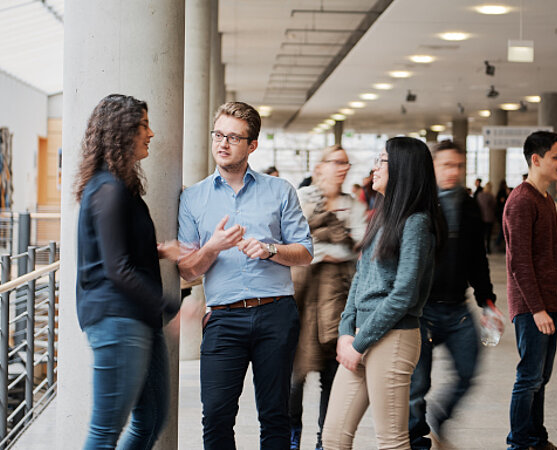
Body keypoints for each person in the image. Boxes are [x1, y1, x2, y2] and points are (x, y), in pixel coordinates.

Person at [173, 101, 313, 449]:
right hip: (223, 319)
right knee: (217, 416)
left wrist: (270, 250)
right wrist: (213, 247)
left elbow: (306, 252)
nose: (223, 143)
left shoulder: (280, 191)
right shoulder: (193, 198)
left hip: (275, 313)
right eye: (218, 134)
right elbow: (186, 270)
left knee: (275, 415)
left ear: (252, 145)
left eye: (234, 137)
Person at [321, 137, 445, 450]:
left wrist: (360, 342)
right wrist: (346, 331)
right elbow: (361, 277)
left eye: (382, 160)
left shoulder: (416, 222)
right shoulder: (381, 216)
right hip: (361, 337)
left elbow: (403, 293)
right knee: (333, 437)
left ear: (402, 169)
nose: (373, 168)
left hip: (393, 338)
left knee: (391, 442)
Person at [74, 94, 180, 449]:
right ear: (122, 132)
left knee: (151, 420)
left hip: (136, 320)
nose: (151, 133)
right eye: (143, 125)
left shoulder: (120, 189)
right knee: (105, 432)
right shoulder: (107, 189)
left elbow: (117, 251)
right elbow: (116, 269)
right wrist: (172, 308)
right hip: (117, 320)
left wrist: (157, 251)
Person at [408, 140, 500, 449]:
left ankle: (440, 417)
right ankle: (416, 443)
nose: (453, 172)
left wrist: (487, 302)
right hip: (424, 312)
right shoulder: (419, 203)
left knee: (468, 371)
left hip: (457, 309)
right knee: (418, 387)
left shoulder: (469, 205)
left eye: (458, 166)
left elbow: (478, 258)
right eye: (446, 165)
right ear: (432, 166)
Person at [289, 145, 367, 450]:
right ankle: (292, 434)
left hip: (339, 298)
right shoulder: (302, 198)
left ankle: (325, 440)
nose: (342, 168)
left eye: (346, 163)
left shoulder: (353, 204)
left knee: (331, 376)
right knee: (294, 374)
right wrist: (331, 244)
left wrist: (320, 245)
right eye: (336, 162)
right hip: (301, 295)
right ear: (320, 167)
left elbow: (358, 245)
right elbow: (292, 240)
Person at [503, 131, 557, 450]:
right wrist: (538, 309)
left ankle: (535, 437)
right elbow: (520, 263)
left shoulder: (546, 200)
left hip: (548, 303)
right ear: (536, 159)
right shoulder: (520, 201)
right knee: (528, 378)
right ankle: (517, 443)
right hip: (531, 307)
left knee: (541, 378)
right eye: (556, 156)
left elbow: (550, 257)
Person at [476, 180, 496, 253]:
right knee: (488, 234)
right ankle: (488, 249)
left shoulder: (479, 195)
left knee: (482, 234)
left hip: (481, 217)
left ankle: (481, 248)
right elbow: (494, 206)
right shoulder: (491, 196)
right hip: (489, 217)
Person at [495, 179, 510, 250]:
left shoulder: (499, 192)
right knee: (503, 229)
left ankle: (498, 243)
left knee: (503, 229)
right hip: (502, 213)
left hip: (499, 213)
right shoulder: (502, 192)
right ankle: (497, 242)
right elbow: (503, 202)